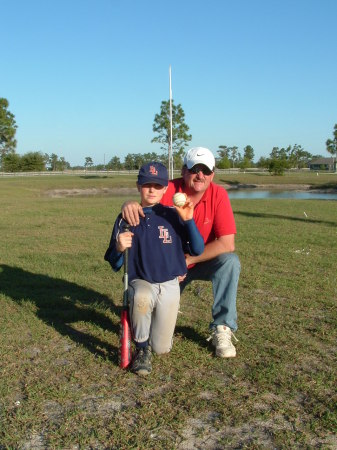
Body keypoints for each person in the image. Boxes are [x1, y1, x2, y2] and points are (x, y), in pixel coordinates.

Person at [122, 147, 241, 358]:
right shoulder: (168, 189)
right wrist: (128, 204)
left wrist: (187, 261)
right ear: (184, 171)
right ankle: (151, 312)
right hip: (168, 268)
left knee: (230, 261)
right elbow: (145, 200)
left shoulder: (219, 194)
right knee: (155, 339)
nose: (200, 175)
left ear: (213, 174)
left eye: (206, 170)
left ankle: (222, 327)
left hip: (196, 260)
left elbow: (226, 243)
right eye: (194, 169)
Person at [104, 162, 204, 376]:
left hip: (169, 283)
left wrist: (189, 221)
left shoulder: (174, 214)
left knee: (161, 348)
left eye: (157, 186)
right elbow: (115, 263)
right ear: (138, 186)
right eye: (147, 184)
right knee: (141, 296)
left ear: (166, 188)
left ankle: (140, 329)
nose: (151, 190)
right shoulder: (127, 218)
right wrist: (119, 247)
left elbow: (197, 249)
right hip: (141, 281)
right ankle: (141, 349)